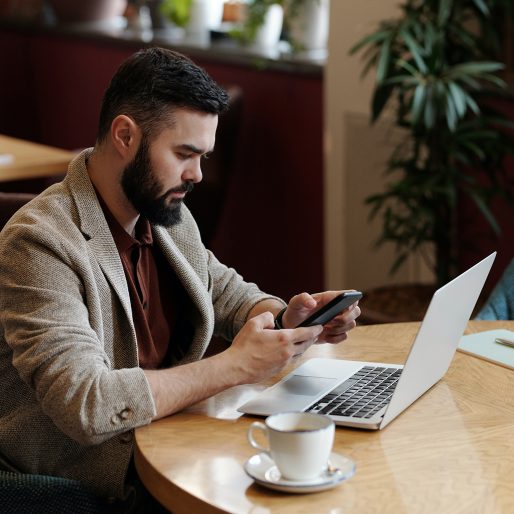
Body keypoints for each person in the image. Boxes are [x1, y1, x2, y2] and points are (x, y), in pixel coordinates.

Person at [0, 47, 360, 510]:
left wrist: (286, 315)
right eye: (184, 154)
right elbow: (85, 404)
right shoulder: (38, 242)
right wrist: (235, 365)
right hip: (78, 483)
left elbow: (225, 290)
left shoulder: (166, 212)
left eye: (204, 156)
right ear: (125, 135)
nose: (198, 175)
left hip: (170, 444)